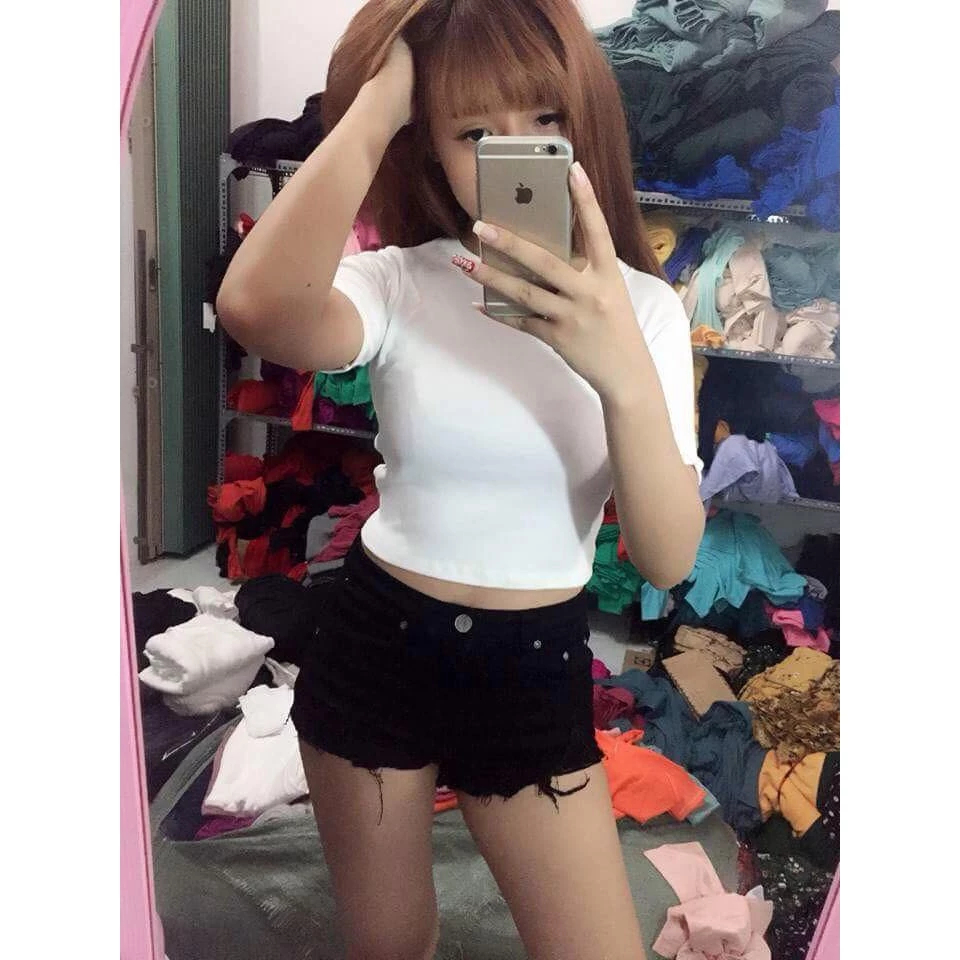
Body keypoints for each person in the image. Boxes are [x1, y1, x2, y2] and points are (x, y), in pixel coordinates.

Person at [217, 1, 705, 957]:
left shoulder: (645, 310)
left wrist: (620, 373)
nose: (516, 151)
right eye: (474, 131)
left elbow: (666, 557)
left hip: (533, 670)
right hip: (376, 648)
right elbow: (255, 306)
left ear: (584, 120)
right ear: (427, 147)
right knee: (391, 946)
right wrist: (377, 105)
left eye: (545, 118)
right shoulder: (401, 280)